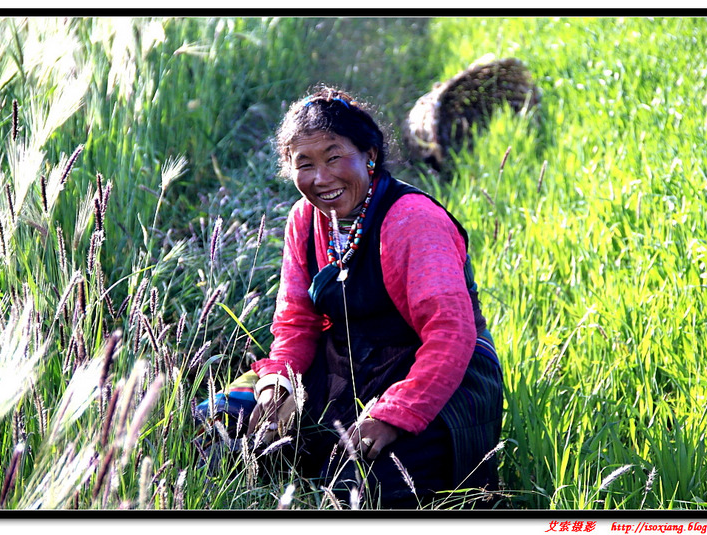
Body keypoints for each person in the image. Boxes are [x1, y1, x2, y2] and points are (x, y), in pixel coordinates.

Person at [204, 86, 503, 509]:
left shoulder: (413, 220)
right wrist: (278, 383)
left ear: (370, 154)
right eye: (304, 164)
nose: (321, 177)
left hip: (435, 377)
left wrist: (393, 414)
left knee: (364, 490)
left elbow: (450, 335)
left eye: (334, 156)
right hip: (346, 366)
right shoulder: (304, 220)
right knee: (215, 422)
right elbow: (296, 323)